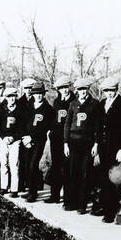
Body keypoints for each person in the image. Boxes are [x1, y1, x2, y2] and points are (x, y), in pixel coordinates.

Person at [95, 77, 121, 223]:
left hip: (115, 147)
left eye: (111, 90)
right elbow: (98, 126)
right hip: (103, 147)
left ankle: (110, 213)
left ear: (116, 89)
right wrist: (97, 144)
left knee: (113, 178)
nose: (109, 93)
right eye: (106, 91)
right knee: (104, 177)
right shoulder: (102, 103)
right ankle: (104, 206)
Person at [64, 78, 100, 213]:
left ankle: (82, 204)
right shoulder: (73, 103)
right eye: (80, 89)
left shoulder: (94, 104)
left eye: (84, 89)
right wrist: (65, 143)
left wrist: (96, 144)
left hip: (87, 143)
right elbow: (67, 124)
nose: (82, 92)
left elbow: (97, 125)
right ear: (77, 91)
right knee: (73, 173)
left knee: (85, 174)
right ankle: (71, 202)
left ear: (88, 89)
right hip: (73, 142)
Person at [21, 82, 55, 203]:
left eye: (40, 94)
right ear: (33, 95)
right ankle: (31, 189)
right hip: (26, 141)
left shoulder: (48, 109)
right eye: (36, 94)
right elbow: (21, 124)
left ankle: (33, 193)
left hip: (38, 141)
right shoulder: (27, 106)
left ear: (43, 94)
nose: (38, 96)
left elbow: (45, 127)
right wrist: (25, 137)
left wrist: (32, 138)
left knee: (33, 165)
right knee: (27, 165)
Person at [46, 76, 75, 204]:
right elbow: (53, 118)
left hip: (68, 138)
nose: (64, 90)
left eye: (65, 87)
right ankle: (55, 195)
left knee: (67, 166)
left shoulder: (74, 101)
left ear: (69, 87)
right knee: (56, 165)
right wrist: (51, 131)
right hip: (56, 137)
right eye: (61, 88)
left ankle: (68, 197)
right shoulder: (57, 101)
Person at [0, 86, 24, 197]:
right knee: (3, 163)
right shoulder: (1, 109)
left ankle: (14, 189)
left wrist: (14, 137)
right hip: (3, 140)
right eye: (9, 97)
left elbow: (21, 128)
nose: (12, 99)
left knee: (14, 164)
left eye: (13, 96)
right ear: (6, 98)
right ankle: (3, 186)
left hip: (15, 141)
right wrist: (3, 137)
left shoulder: (19, 111)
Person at [17, 78, 36, 192]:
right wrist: (23, 136)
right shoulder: (20, 102)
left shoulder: (37, 100)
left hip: (33, 135)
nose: (28, 90)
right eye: (26, 88)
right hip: (23, 135)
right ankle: (21, 184)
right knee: (22, 160)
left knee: (32, 161)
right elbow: (18, 120)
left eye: (30, 88)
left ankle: (31, 184)